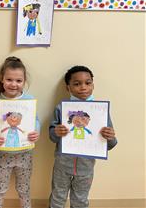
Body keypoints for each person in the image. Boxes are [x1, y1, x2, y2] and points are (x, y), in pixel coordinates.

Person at [48, 65, 118, 208]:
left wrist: (110, 136)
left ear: (93, 85)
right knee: (57, 196)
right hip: (62, 164)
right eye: (77, 84)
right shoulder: (61, 108)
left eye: (88, 82)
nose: (83, 87)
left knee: (81, 199)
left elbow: (110, 144)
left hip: (86, 167)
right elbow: (52, 136)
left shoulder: (100, 111)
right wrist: (56, 132)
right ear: (68, 87)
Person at [0, 56, 41, 208]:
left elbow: (35, 120)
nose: (13, 84)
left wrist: (36, 132)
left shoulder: (29, 100)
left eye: (18, 81)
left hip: (25, 154)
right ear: (2, 79)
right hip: (3, 154)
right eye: (9, 79)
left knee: (24, 189)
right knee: (0, 189)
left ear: (24, 81)